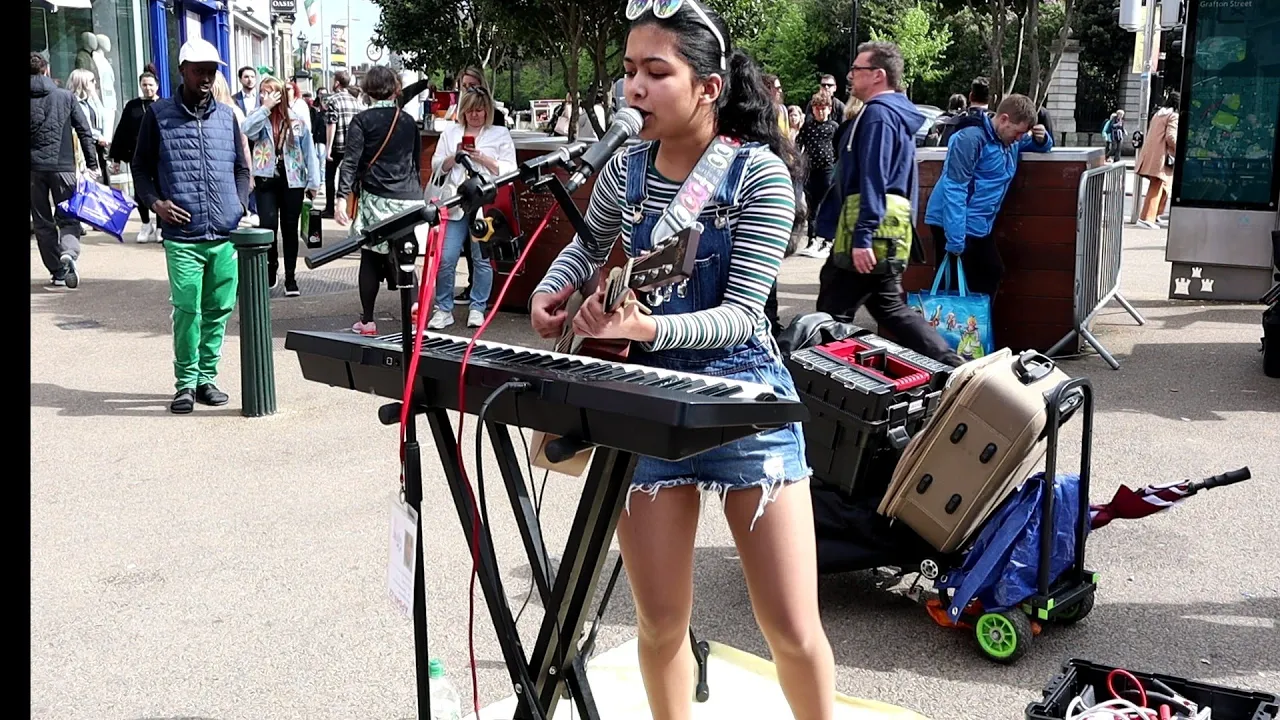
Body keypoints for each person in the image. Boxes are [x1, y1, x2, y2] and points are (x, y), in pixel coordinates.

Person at [529, 3, 835, 718]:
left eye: (655, 72)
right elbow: (585, 243)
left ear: (709, 86)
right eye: (629, 71)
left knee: (790, 629)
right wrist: (554, 288)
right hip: (644, 396)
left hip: (745, 396)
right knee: (660, 622)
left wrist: (646, 327)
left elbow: (740, 312)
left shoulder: (755, 174)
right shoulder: (627, 167)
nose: (633, 88)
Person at [813, 42, 964, 368]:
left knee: (830, 317)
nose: (850, 75)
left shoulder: (879, 116)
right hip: (890, 231)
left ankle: (831, 382)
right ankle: (956, 366)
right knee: (891, 310)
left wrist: (863, 236)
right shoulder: (895, 114)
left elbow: (874, 176)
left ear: (878, 75)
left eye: (857, 70)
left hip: (867, 232)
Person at [131, 38, 251, 414]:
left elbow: (242, 169)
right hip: (183, 236)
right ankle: (185, 382)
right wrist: (155, 203)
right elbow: (141, 168)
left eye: (212, 70)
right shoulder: (160, 115)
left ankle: (205, 379)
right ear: (182, 70)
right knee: (187, 309)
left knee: (218, 310)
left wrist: (239, 204)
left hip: (224, 235)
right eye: (199, 69)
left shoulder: (226, 116)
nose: (206, 77)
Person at [924, 93, 1053, 299]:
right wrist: (956, 239)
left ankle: (965, 329)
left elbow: (1038, 145)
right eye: (1019, 132)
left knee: (980, 278)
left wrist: (1043, 139)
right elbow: (954, 188)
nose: (1020, 138)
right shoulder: (970, 139)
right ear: (1004, 120)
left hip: (974, 223)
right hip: (955, 222)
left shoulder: (1007, 139)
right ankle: (962, 329)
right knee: (977, 278)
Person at [334, 65, 424, 336]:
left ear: (366, 90)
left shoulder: (362, 121)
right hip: (408, 199)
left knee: (371, 258)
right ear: (395, 88)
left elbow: (350, 163)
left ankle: (369, 321)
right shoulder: (408, 120)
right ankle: (414, 307)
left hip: (376, 198)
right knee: (406, 255)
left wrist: (341, 198)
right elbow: (415, 161)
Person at [428, 85, 516, 330]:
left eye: (479, 110)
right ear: (463, 112)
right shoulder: (450, 133)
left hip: (484, 204)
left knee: (482, 259)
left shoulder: (499, 134)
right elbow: (437, 166)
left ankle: (478, 306)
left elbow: (510, 168)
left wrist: (481, 158)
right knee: (446, 257)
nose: (475, 115)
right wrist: (454, 156)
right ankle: (443, 308)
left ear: (487, 111)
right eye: (470, 111)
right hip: (455, 202)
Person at [242, 75, 322, 296]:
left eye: (269, 92)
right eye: (262, 92)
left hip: (292, 181)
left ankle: (290, 277)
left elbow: (310, 153)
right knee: (268, 228)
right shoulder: (259, 118)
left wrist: (314, 182)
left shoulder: (297, 120)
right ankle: (270, 271)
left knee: (289, 229)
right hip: (266, 179)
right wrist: (265, 108)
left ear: (279, 94)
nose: (264, 96)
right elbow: (247, 129)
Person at [30, 51, 99, 290]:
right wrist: (92, 164)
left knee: (42, 222)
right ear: (47, 70)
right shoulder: (65, 97)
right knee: (68, 216)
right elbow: (84, 131)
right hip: (63, 166)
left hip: (34, 170)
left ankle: (58, 272)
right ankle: (68, 252)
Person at [109, 70, 161, 242]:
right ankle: (146, 223)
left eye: (150, 85)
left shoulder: (165, 105)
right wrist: (116, 158)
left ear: (157, 86)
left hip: (160, 155)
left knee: (161, 188)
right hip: (137, 155)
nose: (147, 88)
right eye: (144, 85)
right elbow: (122, 131)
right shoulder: (132, 106)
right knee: (140, 190)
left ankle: (161, 226)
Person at [1135, 91, 1179, 229]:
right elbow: (1171, 137)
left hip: (1152, 154)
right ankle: (1147, 218)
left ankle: (1156, 215)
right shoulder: (1173, 116)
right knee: (1157, 185)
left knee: (1164, 185)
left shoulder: (1158, 114)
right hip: (1162, 156)